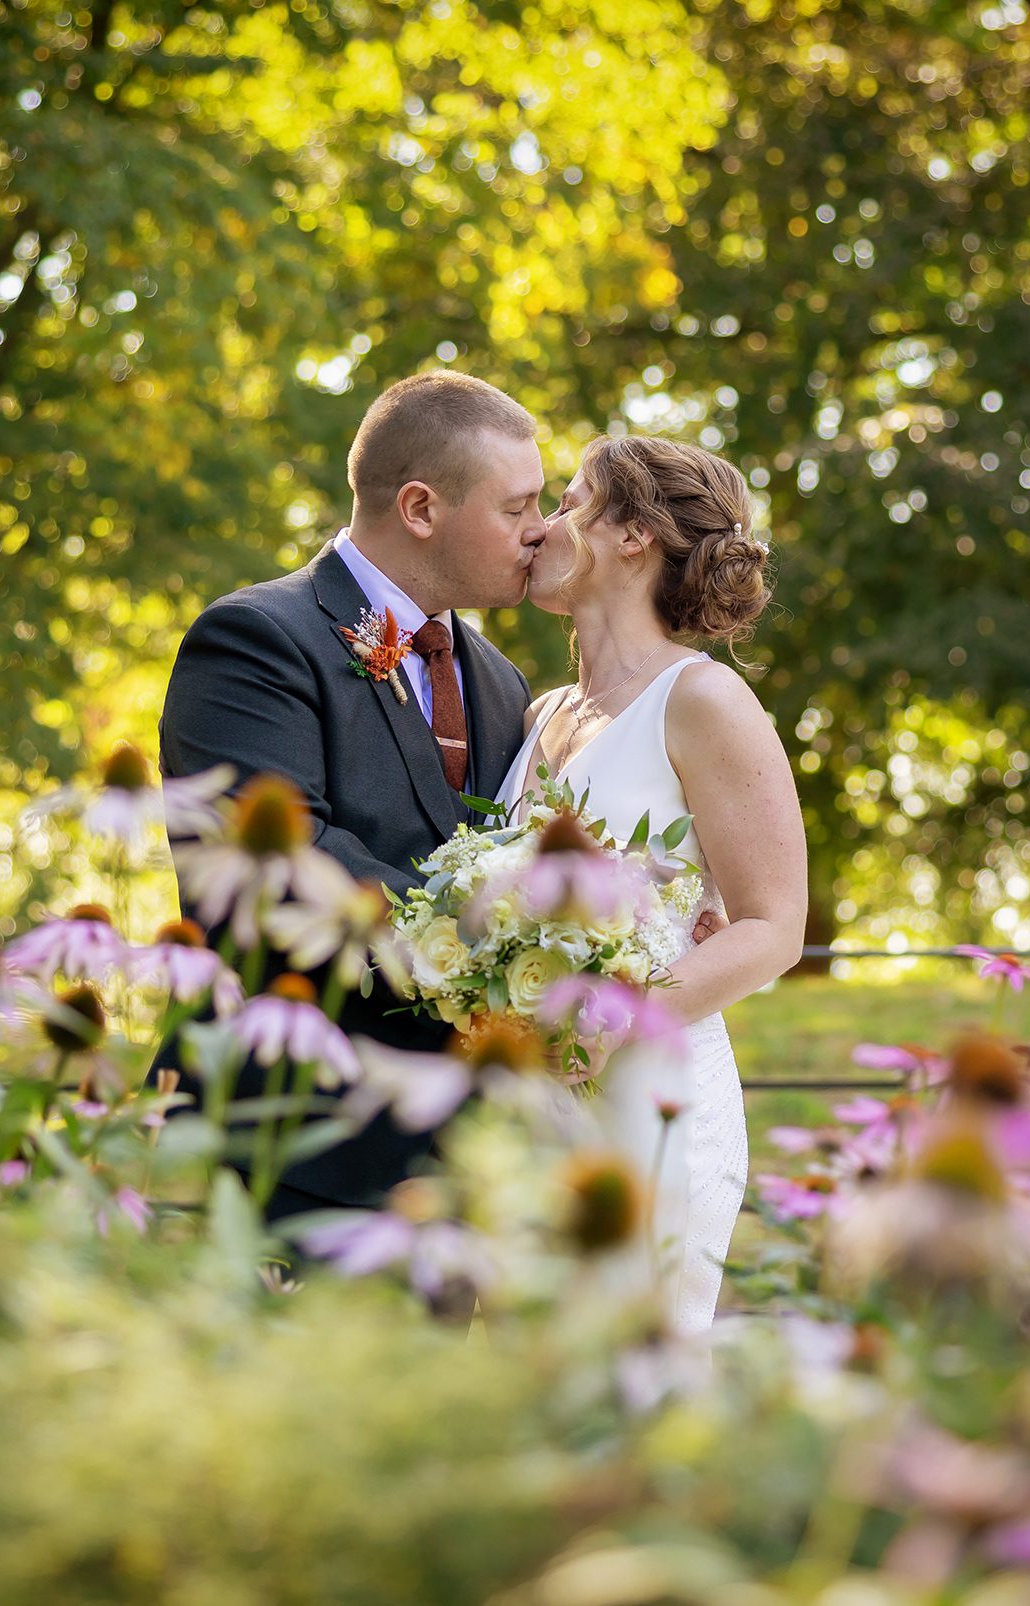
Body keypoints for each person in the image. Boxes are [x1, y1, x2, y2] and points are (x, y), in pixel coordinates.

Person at [158, 371, 545, 1219]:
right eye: (516, 507)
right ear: (420, 508)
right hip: (291, 1146)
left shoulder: (503, 682)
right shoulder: (256, 640)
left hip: (458, 1166)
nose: (539, 531)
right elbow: (279, 862)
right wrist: (501, 943)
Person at [494, 434, 808, 1333]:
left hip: (650, 1097)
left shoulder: (704, 701)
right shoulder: (540, 714)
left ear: (633, 533)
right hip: (533, 1103)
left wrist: (609, 1019)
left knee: (633, 1379)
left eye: (567, 500)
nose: (541, 525)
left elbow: (773, 927)